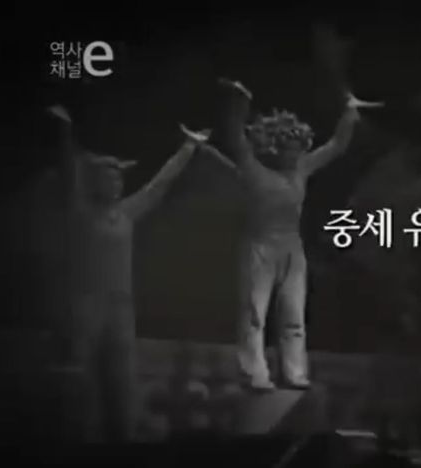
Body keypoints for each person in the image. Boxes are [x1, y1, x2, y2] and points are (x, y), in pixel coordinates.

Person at [195, 78, 382, 392]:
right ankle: (254, 373)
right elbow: (235, 136)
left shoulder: (301, 170)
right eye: (290, 149)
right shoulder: (254, 169)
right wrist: (239, 104)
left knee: (294, 315)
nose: (296, 154)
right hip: (259, 245)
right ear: (275, 147)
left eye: (299, 148)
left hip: (292, 248)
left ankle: (295, 372)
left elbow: (336, 146)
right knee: (254, 314)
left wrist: (349, 114)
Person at [48, 104, 209, 443]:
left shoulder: (125, 213)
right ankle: (81, 439)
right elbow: (70, 172)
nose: (116, 183)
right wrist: (64, 132)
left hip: (121, 307)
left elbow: (160, 184)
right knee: (84, 380)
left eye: (118, 178)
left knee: (121, 378)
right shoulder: (81, 212)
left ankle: (122, 436)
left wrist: (188, 147)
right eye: (108, 178)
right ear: (95, 182)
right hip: (87, 304)